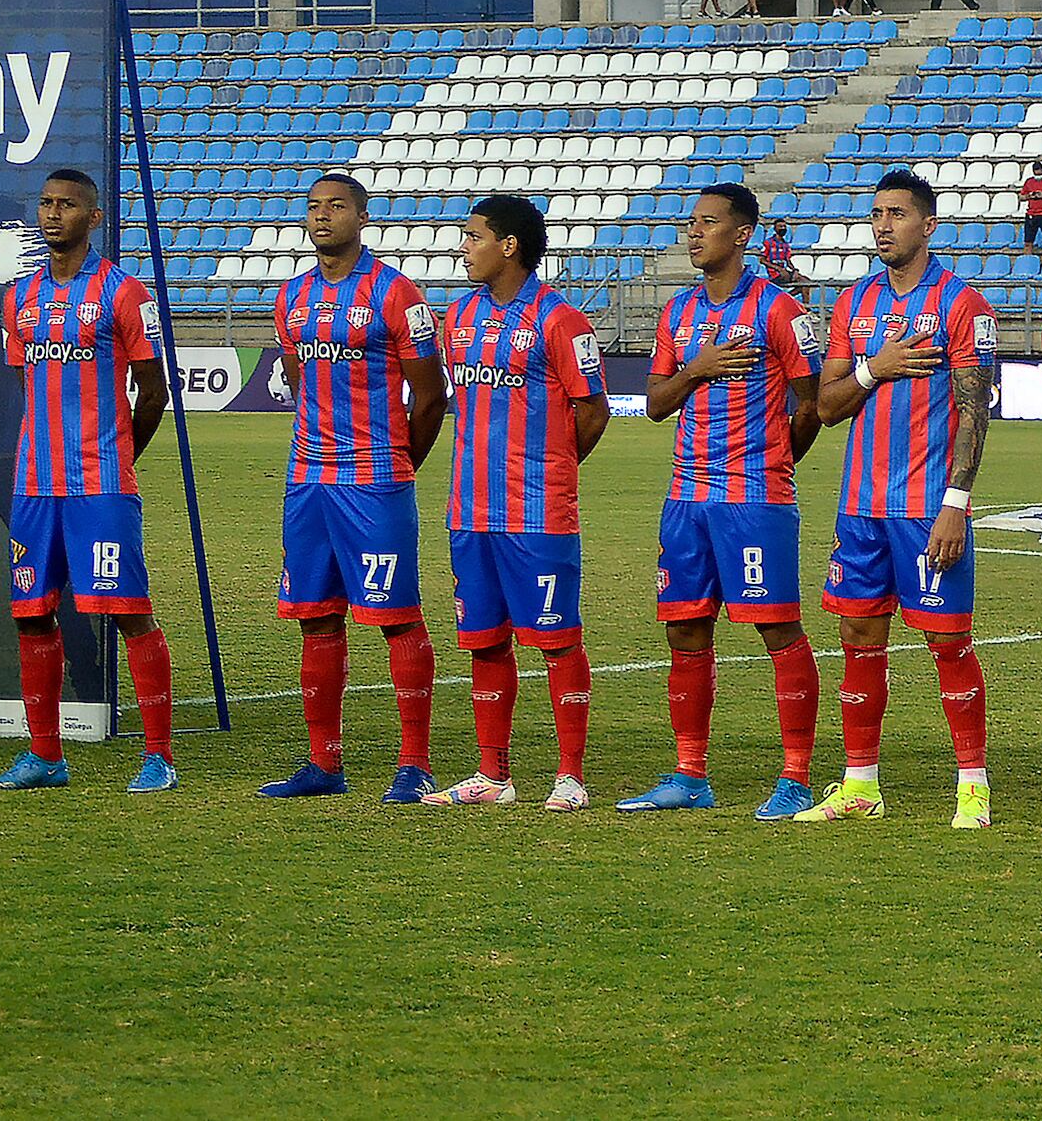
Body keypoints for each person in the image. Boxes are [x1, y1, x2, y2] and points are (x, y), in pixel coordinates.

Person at [620, 185, 825, 820]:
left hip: (754, 495)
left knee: (776, 627)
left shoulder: (778, 310)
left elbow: (811, 402)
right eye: (691, 222)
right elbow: (656, 403)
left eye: (708, 223)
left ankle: (795, 778)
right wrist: (698, 368)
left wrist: (773, 462)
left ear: (742, 235)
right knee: (684, 626)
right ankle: (690, 774)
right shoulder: (677, 312)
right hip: (686, 496)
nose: (693, 232)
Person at [808, 171, 996, 827]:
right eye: (876, 213)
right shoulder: (853, 303)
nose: (883, 224)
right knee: (859, 638)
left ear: (928, 225)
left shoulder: (962, 305)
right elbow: (826, 405)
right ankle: (861, 783)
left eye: (896, 213)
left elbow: (976, 411)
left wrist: (956, 503)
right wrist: (873, 367)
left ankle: (972, 785)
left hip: (926, 505)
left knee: (948, 643)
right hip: (861, 506)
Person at [0, 170, 176, 793]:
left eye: (67, 205)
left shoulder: (124, 293)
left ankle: (159, 757)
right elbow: (24, 385)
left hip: (101, 485)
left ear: (93, 218)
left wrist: (119, 457)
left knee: (126, 611)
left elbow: (152, 391)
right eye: (45, 203)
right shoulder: (19, 297)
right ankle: (45, 757)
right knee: (33, 615)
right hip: (36, 487)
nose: (52, 213)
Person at [258, 175, 449, 804]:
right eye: (312, 207)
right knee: (315, 618)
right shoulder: (291, 298)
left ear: (362, 218)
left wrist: (400, 464)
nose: (321, 217)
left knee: (395, 620)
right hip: (308, 481)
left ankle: (415, 764)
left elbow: (431, 396)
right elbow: (296, 378)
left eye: (335, 207)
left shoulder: (396, 293)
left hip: (376, 482)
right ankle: (323, 763)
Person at [421, 195, 607, 809]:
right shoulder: (458, 317)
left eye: (472, 237)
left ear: (508, 246)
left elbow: (592, 410)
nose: (462, 248)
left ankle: (570, 776)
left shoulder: (561, 320)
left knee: (556, 640)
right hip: (470, 510)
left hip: (537, 513)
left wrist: (550, 469)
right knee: (484, 640)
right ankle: (492, 776)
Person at [759, 215, 804, 291]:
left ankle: (792, 299)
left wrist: (794, 270)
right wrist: (778, 268)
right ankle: (787, 298)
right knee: (798, 280)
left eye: (784, 226)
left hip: (784, 272)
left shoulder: (785, 244)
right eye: (780, 226)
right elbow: (762, 260)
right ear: (775, 228)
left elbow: (788, 261)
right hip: (774, 274)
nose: (783, 228)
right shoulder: (768, 243)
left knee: (805, 282)